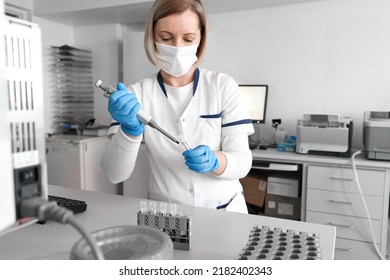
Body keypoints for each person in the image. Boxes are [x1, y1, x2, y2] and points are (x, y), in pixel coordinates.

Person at [101, 0, 254, 213]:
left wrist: (216, 161)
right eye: (166, 38)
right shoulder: (136, 94)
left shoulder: (222, 86)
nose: (177, 48)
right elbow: (114, 174)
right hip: (167, 215)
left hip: (225, 211)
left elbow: (243, 162)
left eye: (188, 38)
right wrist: (129, 131)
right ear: (152, 38)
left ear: (200, 39)